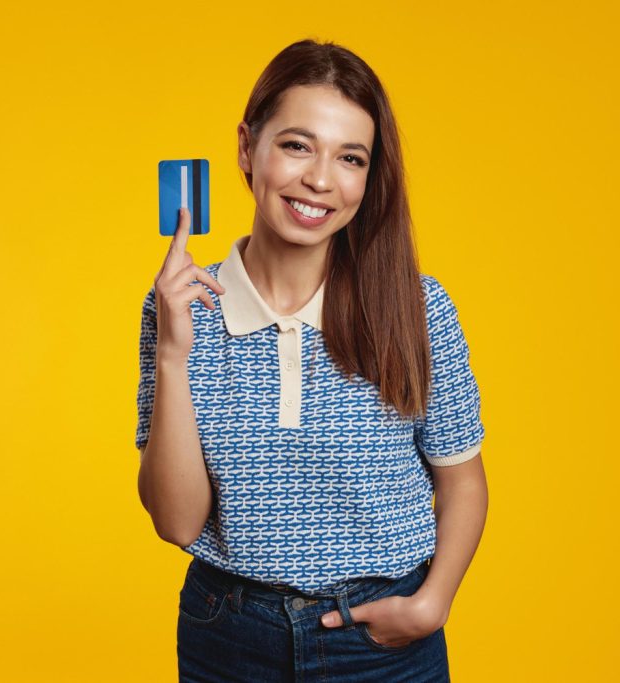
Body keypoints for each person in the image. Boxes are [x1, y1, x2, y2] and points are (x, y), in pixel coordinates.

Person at [136, 38, 489, 682]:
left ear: (368, 176)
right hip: (230, 636)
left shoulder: (417, 307)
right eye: (297, 145)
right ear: (248, 149)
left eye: (349, 157)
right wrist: (172, 354)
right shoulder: (182, 308)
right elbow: (176, 521)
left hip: (383, 644)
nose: (320, 179)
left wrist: (432, 604)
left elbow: (462, 481)